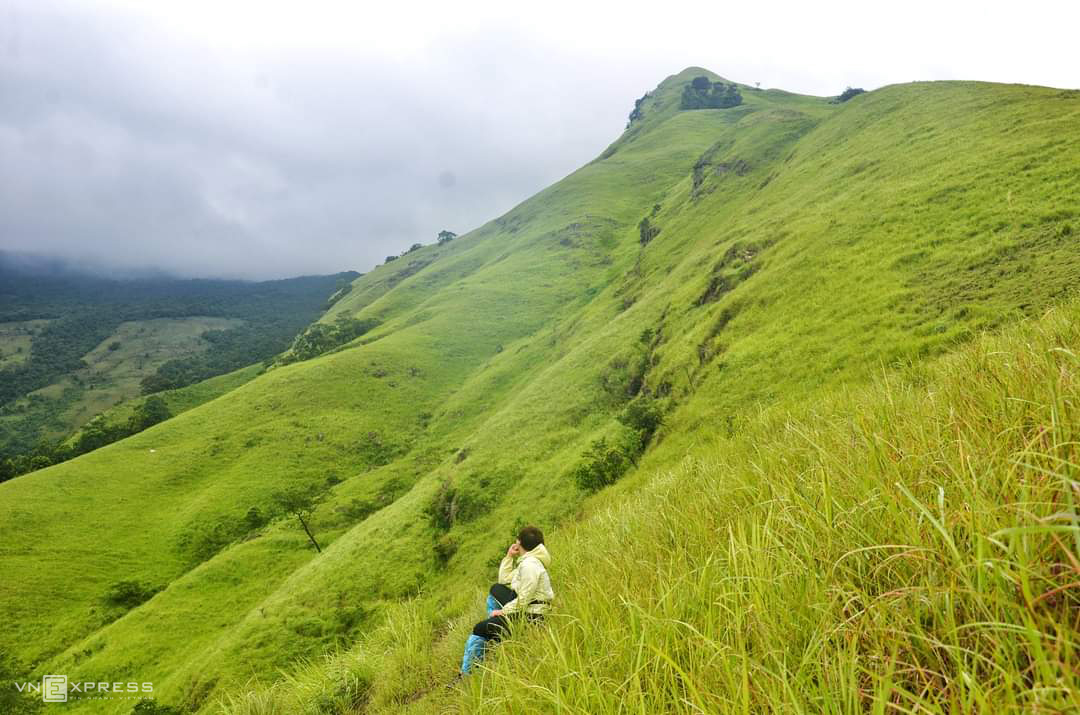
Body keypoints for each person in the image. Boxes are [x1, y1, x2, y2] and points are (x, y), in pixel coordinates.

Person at [460, 525, 553, 675]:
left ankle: (467, 674)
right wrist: (509, 556)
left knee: (479, 628)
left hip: (533, 616)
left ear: (519, 542)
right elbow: (504, 580)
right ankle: (494, 629)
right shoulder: (530, 561)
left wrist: (503, 612)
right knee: (496, 589)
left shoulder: (530, 566)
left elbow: (523, 600)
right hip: (528, 607)